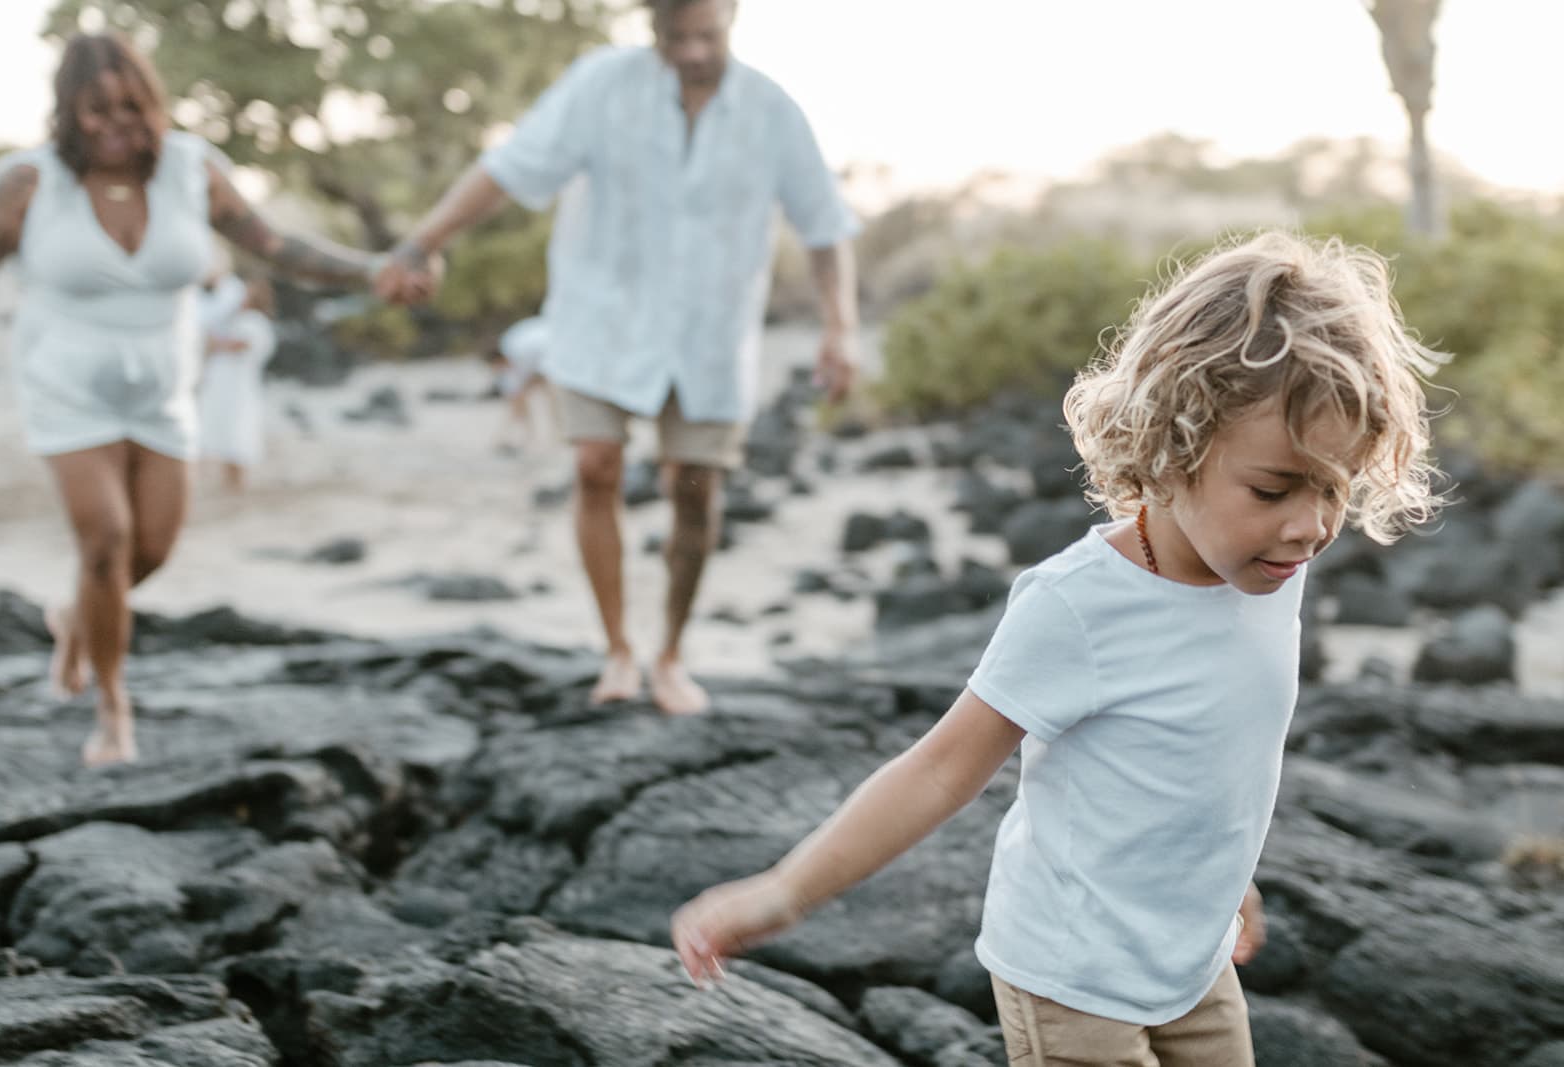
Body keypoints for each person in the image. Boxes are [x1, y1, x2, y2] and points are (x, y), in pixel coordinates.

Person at [671, 232, 1445, 1065]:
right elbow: (939, 769)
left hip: (1191, 956)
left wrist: (1225, 878)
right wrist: (785, 892)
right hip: (1073, 976)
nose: (1309, 525)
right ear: (1173, 445)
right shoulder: (1079, 606)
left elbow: (1204, 752)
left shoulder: (1268, 567)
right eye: (1272, 488)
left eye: (1334, 486)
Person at [374, 0, 861, 716]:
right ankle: (616, 650)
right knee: (593, 465)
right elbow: (509, 167)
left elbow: (824, 225)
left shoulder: (772, 109)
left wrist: (839, 327)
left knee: (695, 488)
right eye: (675, 37)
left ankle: (670, 652)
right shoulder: (600, 84)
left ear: (731, 16)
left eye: (707, 35)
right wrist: (423, 242)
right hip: (601, 319)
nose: (692, 51)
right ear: (652, 27)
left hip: (710, 334)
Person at [0, 32, 426, 766]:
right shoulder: (26, 183)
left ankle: (76, 615)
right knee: (107, 543)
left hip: (165, 384)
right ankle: (113, 707)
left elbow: (278, 246)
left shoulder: (192, 170)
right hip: (65, 383)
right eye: (97, 110)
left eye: (132, 105)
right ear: (66, 111)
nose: (118, 122)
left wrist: (374, 271)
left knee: (152, 548)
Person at [198, 274, 277, 491]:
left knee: (237, 428)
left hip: (238, 386)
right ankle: (228, 479)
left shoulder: (253, 322)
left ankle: (237, 481)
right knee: (224, 428)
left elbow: (239, 345)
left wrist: (214, 343)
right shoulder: (234, 320)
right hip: (224, 384)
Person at [485, 315, 552, 453]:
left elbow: (540, 372)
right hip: (548, 346)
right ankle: (527, 436)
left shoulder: (521, 350)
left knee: (548, 397)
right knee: (521, 397)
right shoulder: (512, 348)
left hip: (553, 348)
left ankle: (532, 436)